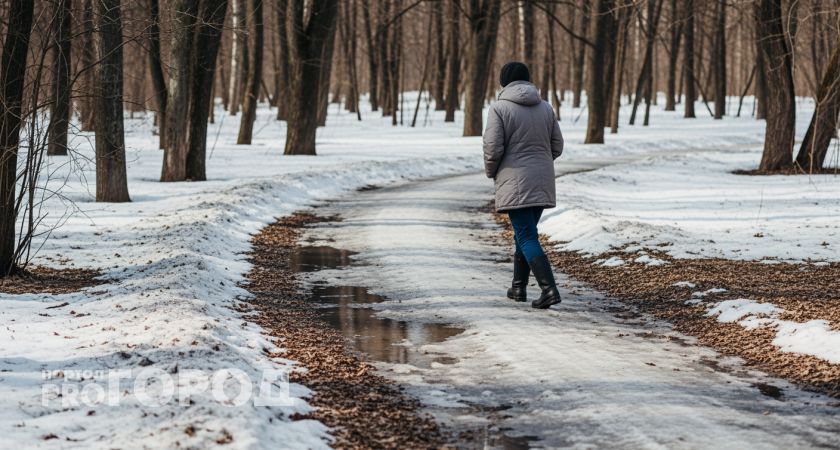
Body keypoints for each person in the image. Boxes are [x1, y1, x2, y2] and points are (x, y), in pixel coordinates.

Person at [483, 62, 564, 309]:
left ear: (503, 82)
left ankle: (549, 290)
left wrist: (492, 171)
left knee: (526, 235)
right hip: (542, 180)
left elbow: (493, 147)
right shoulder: (546, 108)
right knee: (525, 233)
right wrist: (540, 163)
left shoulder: (498, 109)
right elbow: (557, 145)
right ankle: (518, 287)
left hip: (514, 179)